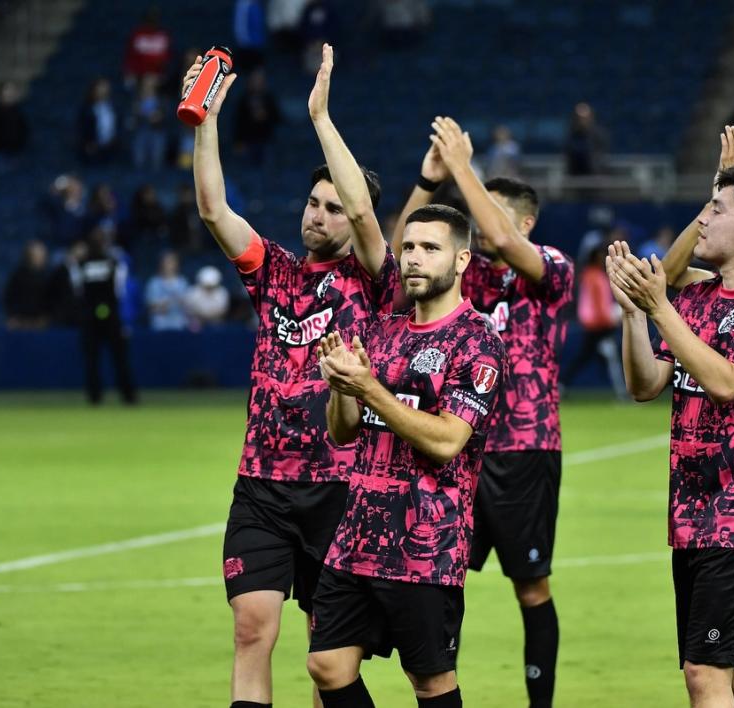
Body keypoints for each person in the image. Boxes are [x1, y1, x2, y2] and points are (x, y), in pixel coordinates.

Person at [185, 43, 395, 708]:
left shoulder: (374, 280)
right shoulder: (274, 271)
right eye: (313, 203)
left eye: (332, 207)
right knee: (252, 628)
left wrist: (320, 116)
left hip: (339, 488)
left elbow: (366, 217)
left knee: (326, 655)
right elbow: (215, 212)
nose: (318, 215)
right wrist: (208, 118)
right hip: (263, 488)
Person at [610, 160, 734, 708]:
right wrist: (635, 315)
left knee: (705, 674)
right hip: (694, 514)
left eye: (715, 209)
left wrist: (659, 306)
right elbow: (647, 383)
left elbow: (727, 382)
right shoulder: (697, 301)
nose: (701, 220)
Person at [392, 116, 574, 707]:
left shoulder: (550, 270)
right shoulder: (459, 281)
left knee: (531, 588)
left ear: (525, 221)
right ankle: (438, 690)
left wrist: (463, 169)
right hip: (455, 450)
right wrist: (432, 181)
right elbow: (397, 260)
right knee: (436, 576)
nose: (476, 226)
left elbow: (498, 240)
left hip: (525, 450)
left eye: (487, 212)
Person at [309, 204, 506, 708]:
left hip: (425, 545)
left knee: (430, 684)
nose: (415, 258)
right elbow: (343, 431)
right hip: (357, 534)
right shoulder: (383, 330)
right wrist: (341, 385)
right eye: (409, 247)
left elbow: (446, 441)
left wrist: (369, 388)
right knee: (327, 666)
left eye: (431, 248)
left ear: (462, 261)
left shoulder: (477, 341)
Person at [70, 227, 138, 405]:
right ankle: (128, 396)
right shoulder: (114, 263)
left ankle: (95, 397)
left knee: (92, 359)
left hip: (89, 315)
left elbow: (77, 291)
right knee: (119, 358)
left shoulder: (81, 264)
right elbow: (120, 291)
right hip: (111, 314)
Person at [560, 241, 626, 399]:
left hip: (597, 326)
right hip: (598, 326)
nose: (604, 258)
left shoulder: (592, 275)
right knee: (609, 359)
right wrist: (611, 319)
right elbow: (597, 305)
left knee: (594, 358)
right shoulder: (593, 276)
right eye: (601, 255)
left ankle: (561, 385)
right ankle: (625, 392)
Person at [3, 239, 52, 330]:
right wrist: (13, 316)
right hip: (20, 322)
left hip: (39, 323)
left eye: (43, 256)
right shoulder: (18, 275)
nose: (41, 258)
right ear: (30, 256)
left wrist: (45, 318)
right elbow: (9, 297)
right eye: (38, 255)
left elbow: (49, 300)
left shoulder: (46, 277)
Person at [144, 250, 190, 331]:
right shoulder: (154, 283)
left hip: (179, 320)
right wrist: (164, 304)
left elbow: (187, 304)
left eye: (172, 262)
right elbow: (151, 307)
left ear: (177, 264)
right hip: (160, 321)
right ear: (161, 264)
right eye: (166, 262)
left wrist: (177, 301)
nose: (169, 265)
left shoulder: (182, 282)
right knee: (158, 322)